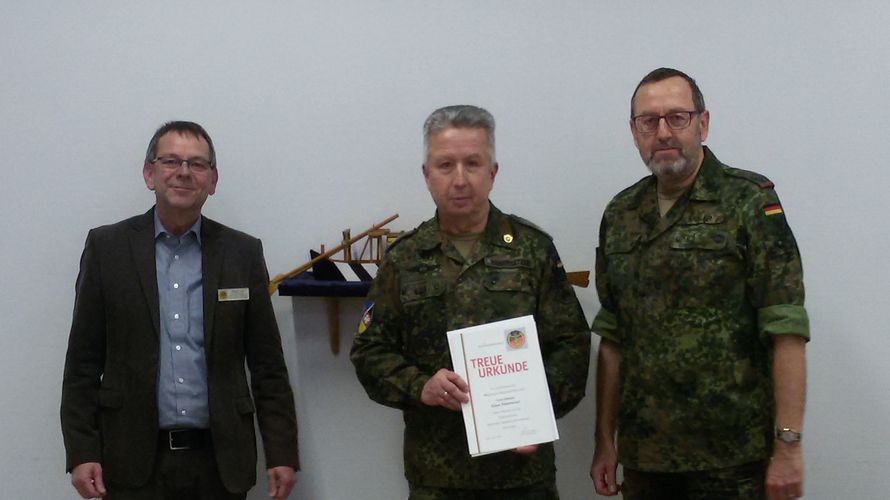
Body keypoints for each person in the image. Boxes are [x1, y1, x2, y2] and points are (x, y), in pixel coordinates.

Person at [589, 68, 809, 500]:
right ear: (633, 132)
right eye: (648, 121)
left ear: (703, 124)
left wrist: (788, 446)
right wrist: (604, 440)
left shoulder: (748, 199)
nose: (663, 132)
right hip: (645, 457)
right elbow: (613, 338)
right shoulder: (621, 214)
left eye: (677, 117)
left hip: (731, 457)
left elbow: (786, 328)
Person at [350, 105, 590, 499]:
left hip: (522, 477)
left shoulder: (533, 250)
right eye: (445, 165)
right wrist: (420, 386)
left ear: (492, 173)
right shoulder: (405, 258)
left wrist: (535, 413)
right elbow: (370, 352)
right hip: (437, 477)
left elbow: (572, 347)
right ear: (427, 177)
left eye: (472, 163)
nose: (460, 179)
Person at [61, 121, 299, 500]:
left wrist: (282, 452)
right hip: (130, 460)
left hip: (220, 463)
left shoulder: (242, 254)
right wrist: (81, 451)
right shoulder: (108, 249)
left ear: (213, 180)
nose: (184, 172)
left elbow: (268, 366)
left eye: (197, 164)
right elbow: (82, 363)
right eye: (171, 161)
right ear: (149, 173)